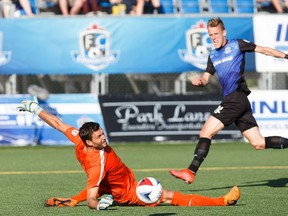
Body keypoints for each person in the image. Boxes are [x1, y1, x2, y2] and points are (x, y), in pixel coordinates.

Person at [18, 96, 240, 209]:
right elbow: (92, 200)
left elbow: (57, 123)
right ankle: (222, 201)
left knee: (99, 188)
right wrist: (100, 206)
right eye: (99, 137)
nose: (104, 138)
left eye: (103, 133)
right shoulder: (99, 162)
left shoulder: (80, 138)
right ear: (89, 141)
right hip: (127, 191)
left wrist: (35, 109)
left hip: (110, 181)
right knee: (171, 196)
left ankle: (71, 201)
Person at [169, 17, 288, 184]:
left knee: (205, 132)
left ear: (224, 32)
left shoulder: (237, 45)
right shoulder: (212, 55)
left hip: (235, 98)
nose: (214, 38)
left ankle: (190, 171)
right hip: (238, 102)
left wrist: (286, 56)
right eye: (210, 35)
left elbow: (264, 50)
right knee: (258, 143)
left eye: (216, 34)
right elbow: (206, 78)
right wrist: (200, 82)